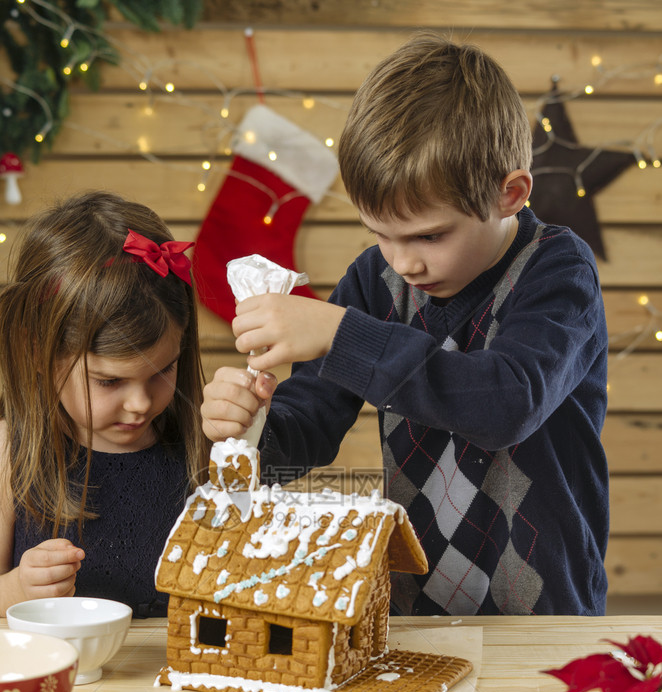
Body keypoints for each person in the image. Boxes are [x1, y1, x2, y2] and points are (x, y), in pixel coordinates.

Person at [201, 34, 610, 616]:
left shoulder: (559, 272)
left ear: (509, 195)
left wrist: (342, 334)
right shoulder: (375, 280)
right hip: (415, 609)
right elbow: (312, 422)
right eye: (380, 234)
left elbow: (505, 404)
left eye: (429, 236)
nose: (404, 262)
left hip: (546, 615)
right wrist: (252, 425)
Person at [0, 190, 207, 618]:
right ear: (38, 353)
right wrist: (17, 588)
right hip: (61, 679)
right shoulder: (7, 451)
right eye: (110, 381)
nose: (140, 403)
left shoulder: (204, 442)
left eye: (163, 371)